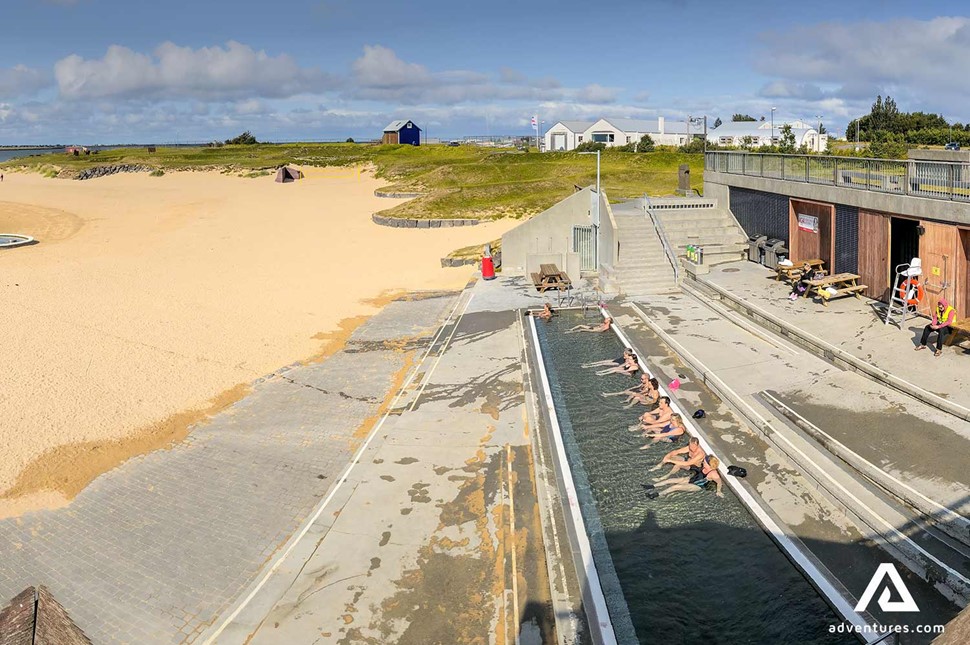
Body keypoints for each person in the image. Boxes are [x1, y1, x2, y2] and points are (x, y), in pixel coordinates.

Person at [644, 455, 723, 499]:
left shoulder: (713, 474)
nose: (703, 462)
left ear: (709, 464)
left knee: (676, 487)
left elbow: (719, 483)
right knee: (671, 480)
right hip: (692, 479)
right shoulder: (704, 466)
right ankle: (652, 486)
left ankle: (657, 494)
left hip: (697, 486)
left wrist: (718, 491)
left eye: (705, 462)